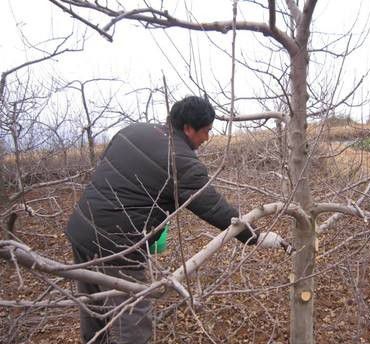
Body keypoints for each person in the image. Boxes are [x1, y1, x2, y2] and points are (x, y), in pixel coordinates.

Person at [65, 96, 292, 344]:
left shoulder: (132, 131)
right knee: (132, 323)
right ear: (187, 128)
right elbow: (214, 207)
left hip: (81, 231)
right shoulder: (181, 160)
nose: (206, 138)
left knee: (94, 312)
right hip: (118, 246)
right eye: (205, 131)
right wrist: (254, 237)